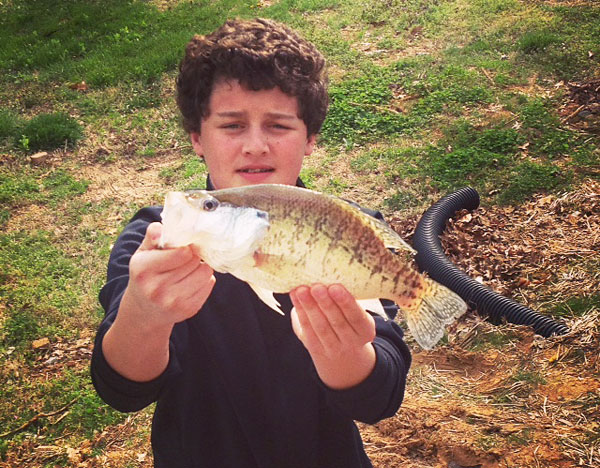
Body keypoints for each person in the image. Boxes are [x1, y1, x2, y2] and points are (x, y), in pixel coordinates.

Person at [91, 17, 411, 468]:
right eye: (232, 125)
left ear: (311, 139)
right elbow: (122, 391)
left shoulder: (350, 230)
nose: (256, 145)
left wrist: (344, 354)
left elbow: (380, 398)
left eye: (278, 126)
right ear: (197, 138)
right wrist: (145, 315)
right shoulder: (159, 238)